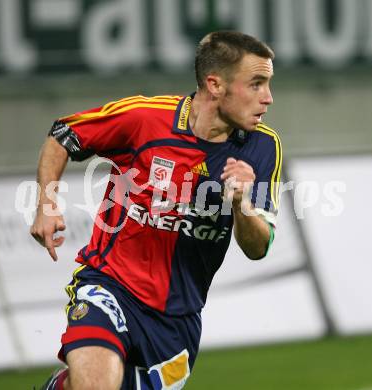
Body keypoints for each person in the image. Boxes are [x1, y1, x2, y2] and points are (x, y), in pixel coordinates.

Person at [31, 31, 282, 390]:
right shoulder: (144, 118)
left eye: (268, 84)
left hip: (177, 320)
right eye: (256, 84)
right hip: (110, 286)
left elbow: (259, 248)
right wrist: (46, 203)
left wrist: (242, 206)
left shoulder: (262, 147)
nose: (268, 98)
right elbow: (64, 134)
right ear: (214, 85)